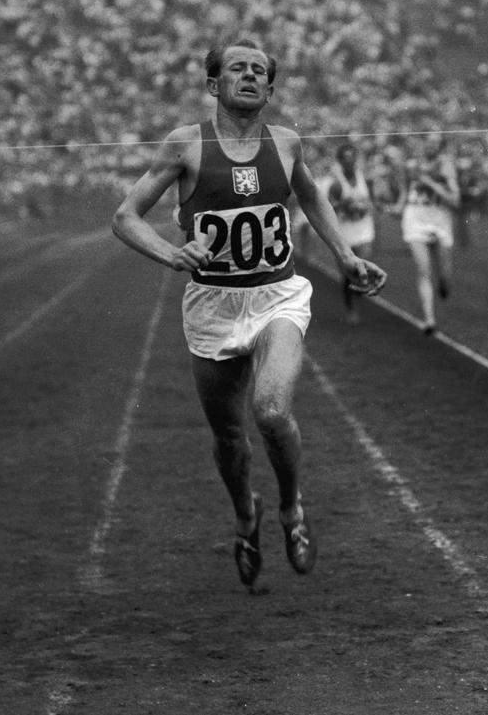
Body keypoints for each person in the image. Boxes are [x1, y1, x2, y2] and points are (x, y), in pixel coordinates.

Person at [112, 38, 387, 589]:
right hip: (213, 303)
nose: (249, 76)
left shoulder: (286, 144)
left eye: (260, 71)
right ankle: (246, 516)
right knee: (229, 437)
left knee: (270, 411)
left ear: (269, 87)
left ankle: (291, 509)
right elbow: (125, 217)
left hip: (276, 295)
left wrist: (345, 256)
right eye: (237, 68)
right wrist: (173, 253)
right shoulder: (186, 145)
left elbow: (312, 198)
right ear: (214, 85)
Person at [397, 135, 460, 334]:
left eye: (435, 144)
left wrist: (431, 183)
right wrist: (399, 206)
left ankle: (444, 282)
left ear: (440, 147)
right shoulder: (411, 166)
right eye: (428, 143)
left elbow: (455, 200)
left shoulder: (446, 167)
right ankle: (429, 319)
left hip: (440, 219)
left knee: (444, 275)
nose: (431, 147)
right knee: (424, 270)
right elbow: (404, 192)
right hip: (415, 218)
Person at [326, 140, 377, 324]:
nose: (349, 162)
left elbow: (372, 203)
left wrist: (363, 208)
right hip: (345, 230)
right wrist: (344, 205)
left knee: (364, 266)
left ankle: (359, 292)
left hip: (363, 229)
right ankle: (351, 308)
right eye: (345, 159)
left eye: (352, 158)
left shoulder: (365, 179)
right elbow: (328, 208)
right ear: (340, 161)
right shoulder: (336, 185)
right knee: (348, 274)